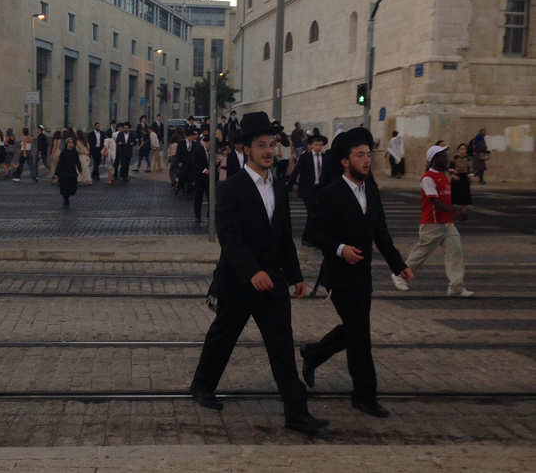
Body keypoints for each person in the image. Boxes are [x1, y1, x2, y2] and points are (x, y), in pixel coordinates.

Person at [190, 111, 328, 434]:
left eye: (272, 145)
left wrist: (295, 275)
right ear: (247, 149)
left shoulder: (278, 187)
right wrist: (251, 272)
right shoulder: (231, 188)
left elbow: (283, 236)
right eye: (262, 145)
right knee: (223, 336)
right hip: (239, 281)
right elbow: (229, 238)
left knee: (282, 345)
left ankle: (296, 413)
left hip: (273, 282)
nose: (269, 151)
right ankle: (202, 385)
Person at [302, 127, 413, 419]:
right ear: (344, 161)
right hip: (339, 277)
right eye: (360, 155)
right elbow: (311, 234)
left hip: (364, 277)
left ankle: (313, 354)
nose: (367, 160)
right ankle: (365, 395)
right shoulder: (331, 193)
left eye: (368, 154)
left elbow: (381, 233)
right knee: (360, 335)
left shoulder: (371, 191)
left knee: (354, 330)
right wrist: (340, 248)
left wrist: (399, 265)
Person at [392, 145, 474, 297]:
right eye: (442, 156)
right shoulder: (428, 178)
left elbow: (446, 200)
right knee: (421, 253)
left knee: (456, 251)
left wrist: (457, 211)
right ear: (434, 159)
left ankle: (456, 287)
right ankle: (399, 275)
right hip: (432, 223)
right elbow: (435, 201)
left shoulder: (444, 176)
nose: (446, 158)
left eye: (445, 155)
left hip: (447, 223)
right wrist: (456, 211)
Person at [288, 130, 329, 242]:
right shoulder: (305, 157)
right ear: (311, 145)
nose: (318, 147)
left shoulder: (325, 158)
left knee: (317, 214)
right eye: (316, 144)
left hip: (320, 190)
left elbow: (329, 174)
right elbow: (296, 171)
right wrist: (289, 185)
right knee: (312, 213)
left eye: (320, 145)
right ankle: (307, 238)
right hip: (308, 190)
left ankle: (312, 237)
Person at [56, 137, 82, 207]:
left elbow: (77, 162)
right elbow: (59, 163)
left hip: (72, 172)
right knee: (64, 186)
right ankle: (65, 199)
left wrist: (80, 170)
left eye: (72, 143)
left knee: (72, 187)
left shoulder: (75, 152)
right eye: (69, 142)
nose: (71, 144)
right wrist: (57, 173)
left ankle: (67, 196)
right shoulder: (63, 153)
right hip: (64, 172)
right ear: (67, 144)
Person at [449, 143, 472, 210]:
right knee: (455, 195)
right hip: (456, 177)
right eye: (461, 149)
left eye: (464, 149)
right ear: (458, 150)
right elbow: (450, 168)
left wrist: (470, 176)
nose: (462, 150)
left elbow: (470, 169)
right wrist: (453, 175)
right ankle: (453, 211)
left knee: (465, 195)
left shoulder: (468, 158)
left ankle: (463, 212)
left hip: (465, 178)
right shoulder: (454, 158)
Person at [192, 135, 209, 225]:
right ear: (205, 143)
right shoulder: (199, 150)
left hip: (208, 179)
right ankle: (197, 216)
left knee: (211, 197)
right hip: (200, 178)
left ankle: (209, 215)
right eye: (209, 143)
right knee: (198, 198)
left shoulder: (211, 151)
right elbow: (195, 163)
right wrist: (204, 170)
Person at [175, 128, 198, 194]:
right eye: (193, 136)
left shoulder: (195, 144)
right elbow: (178, 153)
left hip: (192, 164)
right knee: (182, 176)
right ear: (189, 136)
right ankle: (179, 188)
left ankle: (189, 190)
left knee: (191, 177)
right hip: (183, 163)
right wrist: (179, 162)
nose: (194, 137)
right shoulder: (181, 143)